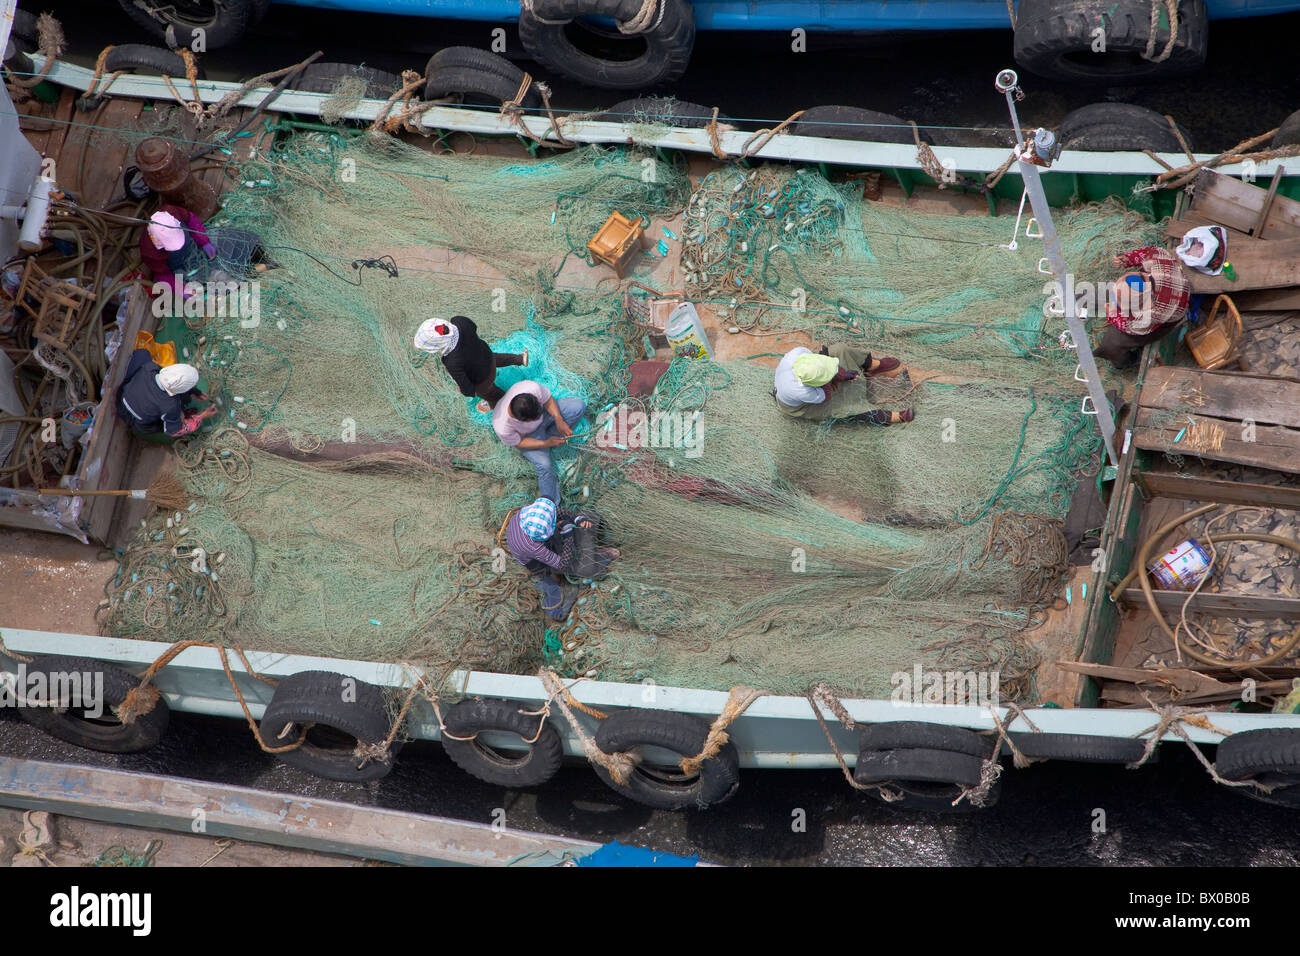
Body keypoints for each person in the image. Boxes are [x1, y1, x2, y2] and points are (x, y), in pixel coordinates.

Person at [505, 497, 618, 621]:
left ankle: (591, 549)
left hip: (529, 543)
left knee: (576, 522)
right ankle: (600, 557)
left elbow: (556, 511)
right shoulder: (533, 547)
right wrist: (567, 534)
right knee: (585, 569)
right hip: (536, 563)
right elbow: (563, 564)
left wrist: (577, 519)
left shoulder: (530, 512)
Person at [1093, 245, 1189, 369]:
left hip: (1169, 319)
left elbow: (1130, 327)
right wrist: (1127, 259)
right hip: (1173, 288)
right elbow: (1147, 252)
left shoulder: (1152, 313)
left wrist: (1111, 315)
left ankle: (1129, 360)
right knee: (1103, 291)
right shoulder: (1158, 260)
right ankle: (1078, 300)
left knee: (1111, 343)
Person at [772, 344, 915, 424]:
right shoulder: (800, 390)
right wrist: (836, 378)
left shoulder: (798, 352)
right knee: (843, 406)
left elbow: (821, 357)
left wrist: (839, 373)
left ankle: (872, 366)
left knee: (840, 350)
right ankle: (893, 417)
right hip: (802, 406)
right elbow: (826, 395)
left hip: (809, 378)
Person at [493, 380, 586, 502]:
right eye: (535, 418)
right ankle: (551, 505)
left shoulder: (530, 387)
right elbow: (519, 442)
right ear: (523, 420)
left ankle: (551, 436)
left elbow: (548, 399)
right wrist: (545, 443)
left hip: (547, 415)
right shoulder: (502, 427)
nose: (539, 418)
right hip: (528, 437)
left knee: (578, 406)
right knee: (544, 466)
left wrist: (558, 419)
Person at [413, 316, 527, 413]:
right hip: (486, 354)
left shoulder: (451, 361)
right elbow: (473, 326)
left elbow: (466, 387)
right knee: (497, 358)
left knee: (490, 394)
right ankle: (520, 359)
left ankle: (502, 402)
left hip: (483, 379)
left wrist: (466, 391)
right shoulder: (459, 321)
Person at [116, 349, 215, 438]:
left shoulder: (150, 367)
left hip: (122, 397)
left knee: (143, 353)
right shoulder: (171, 406)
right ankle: (144, 425)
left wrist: (193, 391)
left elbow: (172, 385)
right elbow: (175, 431)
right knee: (175, 417)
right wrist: (202, 416)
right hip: (134, 419)